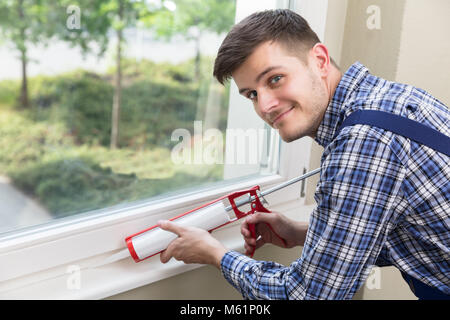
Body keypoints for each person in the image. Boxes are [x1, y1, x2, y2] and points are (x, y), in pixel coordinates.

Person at [157, 9, 450, 300]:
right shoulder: (392, 98)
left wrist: (216, 255)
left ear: (319, 60)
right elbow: (417, 235)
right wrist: (302, 233)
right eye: (252, 95)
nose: (265, 106)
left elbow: (311, 297)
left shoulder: (364, 141)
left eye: (274, 79)